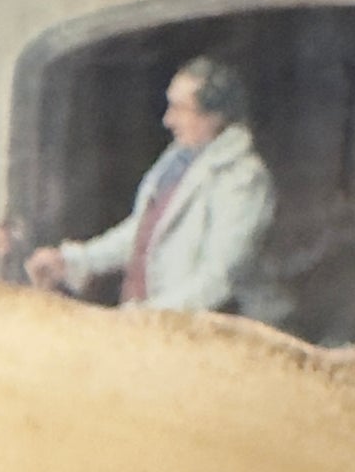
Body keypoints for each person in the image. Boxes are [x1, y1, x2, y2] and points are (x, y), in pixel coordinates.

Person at [24, 58, 285, 320]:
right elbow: (144, 233)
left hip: (208, 332)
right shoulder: (177, 160)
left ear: (215, 117)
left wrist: (150, 316)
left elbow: (220, 277)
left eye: (180, 109)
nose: (168, 120)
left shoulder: (243, 178)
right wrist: (75, 260)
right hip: (154, 324)